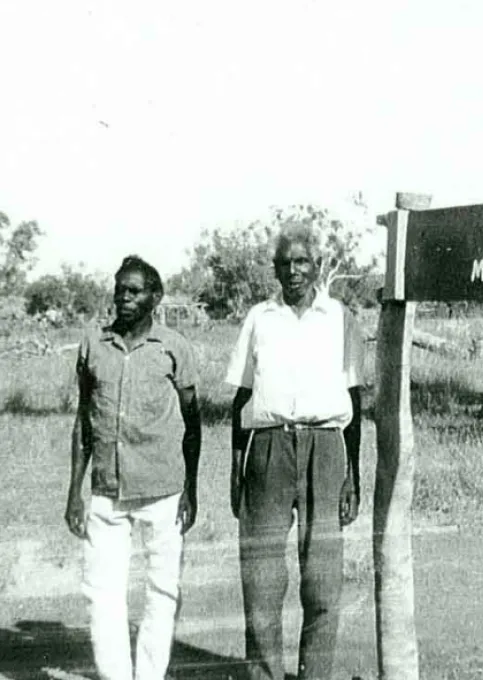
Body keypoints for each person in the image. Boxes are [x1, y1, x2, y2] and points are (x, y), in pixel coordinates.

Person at [225, 223, 365, 680]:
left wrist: (353, 475)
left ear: (317, 265)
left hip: (325, 447)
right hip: (267, 448)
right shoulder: (259, 318)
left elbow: (355, 401)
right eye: (285, 263)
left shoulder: (340, 318)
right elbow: (241, 397)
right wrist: (235, 467)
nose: (293, 271)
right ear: (275, 269)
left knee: (323, 580)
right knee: (261, 577)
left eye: (302, 261)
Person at [65, 255, 202, 680]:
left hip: (163, 492)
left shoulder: (173, 347)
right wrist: (75, 491)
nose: (123, 297)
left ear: (155, 298)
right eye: (119, 289)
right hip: (106, 491)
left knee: (161, 591)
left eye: (134, 290)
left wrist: (191, 489)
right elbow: (84, 421)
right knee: (102, 594)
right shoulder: (94, 345)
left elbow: (193, 422)